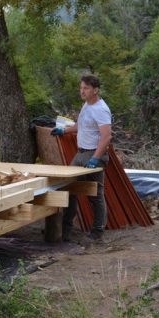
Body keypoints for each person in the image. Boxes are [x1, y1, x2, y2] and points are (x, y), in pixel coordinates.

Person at [51, 74, 112, 241]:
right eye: (81, 88)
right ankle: (65, 230)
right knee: (69, 187)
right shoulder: (87, 105)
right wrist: (64, 130)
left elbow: (106, 136)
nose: (82, 91)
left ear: (95, 90)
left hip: (93, 154)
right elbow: (81, 125)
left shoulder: (101, 109)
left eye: (86, 88)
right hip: (81, 153)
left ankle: (97, 232)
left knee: (95, 194)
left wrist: (95, 158)